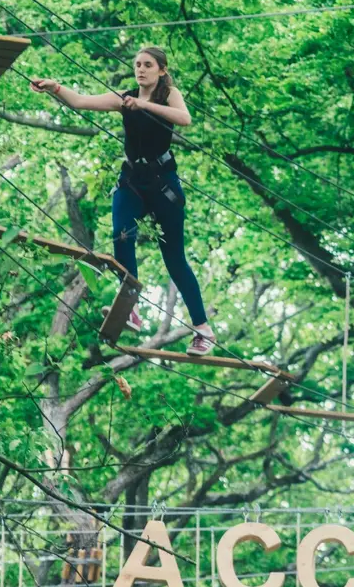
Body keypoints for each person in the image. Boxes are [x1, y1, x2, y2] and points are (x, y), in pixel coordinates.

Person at [30, 47, 215, 356]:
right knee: (121, 233)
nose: (141, 70)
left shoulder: (169, 94)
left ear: (161, 70)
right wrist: (55, 88)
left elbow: (184, 119)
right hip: (132, 182)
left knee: (175, 260)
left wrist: (145, 105)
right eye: (137, 65)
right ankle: (130, 306)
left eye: (148, 65)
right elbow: (81, 101)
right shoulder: (124, 97)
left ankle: (203, 330)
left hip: (163, 186)